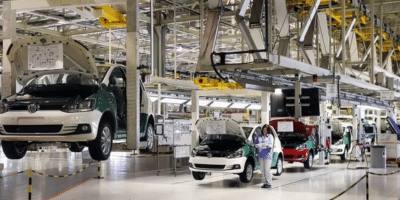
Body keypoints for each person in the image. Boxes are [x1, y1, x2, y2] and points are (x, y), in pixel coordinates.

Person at [255, 124, 274, 188]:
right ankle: (264, 183)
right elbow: (256, 143)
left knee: (267, 170)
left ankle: (269, 183)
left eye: (266, 130)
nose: (264, 131)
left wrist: (263, 145)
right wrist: (257, 145)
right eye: (263, 130)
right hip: (261, 155)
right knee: (262, 170)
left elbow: (270, 145)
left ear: (268, 130)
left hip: (267, 155)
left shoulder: (270, 136)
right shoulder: (259, 136)